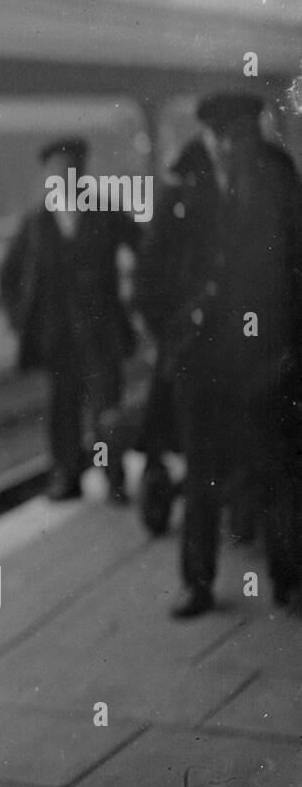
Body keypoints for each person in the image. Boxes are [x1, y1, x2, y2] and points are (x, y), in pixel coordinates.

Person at [133, 92, 302, 619]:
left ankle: (288, 580)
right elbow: (149, 275)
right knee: (204, 472)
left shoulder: (279, 179)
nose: (231, 147)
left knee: (277, 467)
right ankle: (198, 583)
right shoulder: (183, 185)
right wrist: (175, 331)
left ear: (255, 138)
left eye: (241, 138)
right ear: (207, 138)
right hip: (201, 359)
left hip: (267, 355)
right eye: (221, 138)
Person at [0, 137, 141, 503]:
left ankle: (114, 480)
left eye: (72, 172)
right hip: (58, 339)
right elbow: (8, 274)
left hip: (101, 333)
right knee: (63, 411)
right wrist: (21, 320)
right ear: (48, 178)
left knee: (106, 410)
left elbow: (147, 251)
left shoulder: (107, 213)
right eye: (58, 174)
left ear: (83, 175)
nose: (65, 180)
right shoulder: (36, 222)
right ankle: (67, 478)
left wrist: (138, 301)